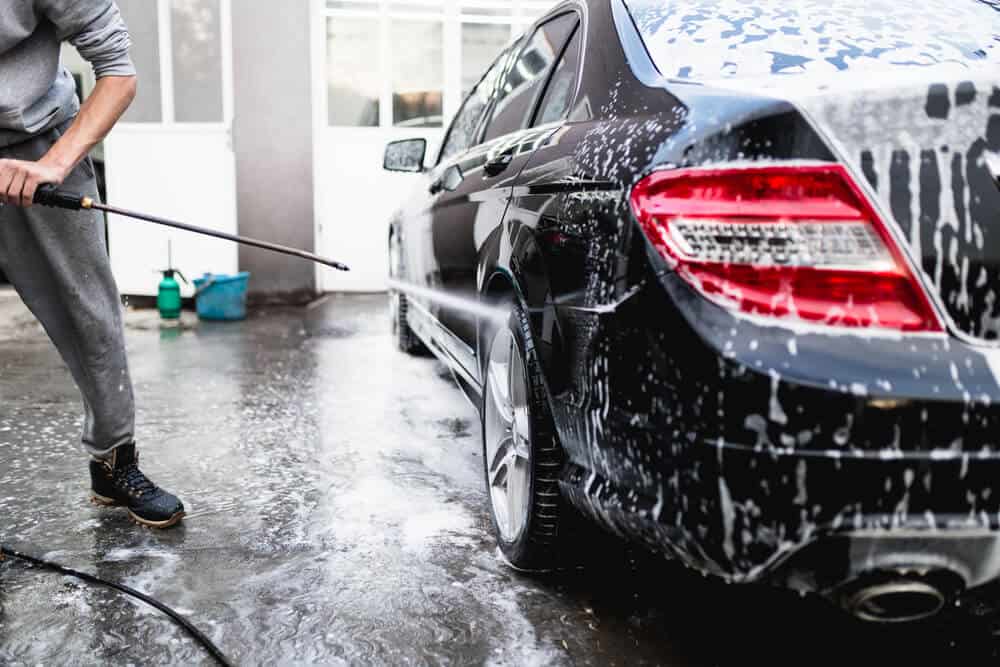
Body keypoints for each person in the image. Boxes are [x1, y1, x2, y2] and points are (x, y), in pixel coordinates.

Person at [0, 1, 184, 528]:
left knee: (91, 316)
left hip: (41, 142)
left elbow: (118, 74)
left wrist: (54, 164)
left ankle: (112, 462)